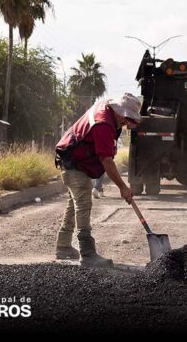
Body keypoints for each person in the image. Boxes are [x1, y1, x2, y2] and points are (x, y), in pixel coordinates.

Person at [54, 93, 142, 266]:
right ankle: (87, 254)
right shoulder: (103, 123)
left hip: (77, 162)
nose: (126, 123)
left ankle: (63, 246)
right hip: (73, 163)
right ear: (117, 110)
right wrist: (123, 187)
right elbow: (107, 161)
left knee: (74, 204)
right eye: (126, 118)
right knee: (83, 204)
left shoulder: (108, 113)